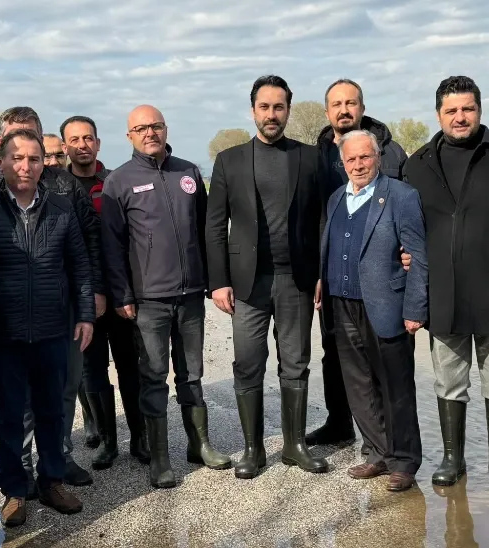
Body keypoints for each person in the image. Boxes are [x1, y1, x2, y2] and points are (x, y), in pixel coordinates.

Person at [402, 76, 489, 489]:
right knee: (449, 381)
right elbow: (406, 225)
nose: (460, 117)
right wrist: (401, 253)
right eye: (451, 110)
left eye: (468, 109)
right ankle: (452, 459)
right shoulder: (417, 164)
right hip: (442, 293)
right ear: (438, 115)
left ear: (480, 110)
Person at [0, 106, 102, 490]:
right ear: (1, 157)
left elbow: (82, 255)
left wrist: (87, 308)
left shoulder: (63, 197)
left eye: (33, 156)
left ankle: (55, 471)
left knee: (57, 401)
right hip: (3, 325)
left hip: (54, 318)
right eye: (16, 156)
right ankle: (17, 482)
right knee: (11, 410)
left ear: (43, 158)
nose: (25, 165)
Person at [102, 104, 231, 488]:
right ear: (129, 136)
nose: (150, 133)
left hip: (190, 295)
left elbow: (209, 231)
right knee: (154, 376)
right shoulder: (119, 181)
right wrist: (122, 294)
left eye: (155, 126)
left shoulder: (188, 172)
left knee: (192, 373)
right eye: (141, 128)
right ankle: (159, 457)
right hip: (149, 301)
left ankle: (199, 444)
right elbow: (112, 245)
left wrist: (214, 280)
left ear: (165, 128)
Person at [206, 75, 329, 479]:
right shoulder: (229, 161)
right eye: (265, 107)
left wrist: (321, 273)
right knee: (247, 364)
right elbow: (214, 226)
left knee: (295, 363)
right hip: (247, 283)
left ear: (288, 110)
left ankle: (294, 446)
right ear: (253, 111)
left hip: (297, 279)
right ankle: (253, 449)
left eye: (279, 107)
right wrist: (218, 280)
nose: (271, 114)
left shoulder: (309, 158)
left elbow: (323, 219)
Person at [318, 129, 428, 491]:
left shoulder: (401, 195)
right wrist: (322, 281)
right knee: (359, 383)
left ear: (377, 157)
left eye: (365, 156)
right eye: (351, 159)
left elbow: (418, 256)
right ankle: (378, 453)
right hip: (341, 303)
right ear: (342, 163)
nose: (358, 164)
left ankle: (404, 461)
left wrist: (415, 308)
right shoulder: (336, 198)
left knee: (396, 386)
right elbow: (331, 247)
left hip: (386, 305)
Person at [307, 78, 410, 450]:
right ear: (327, 112)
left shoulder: (391, 152)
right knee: (334, 351)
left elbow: (409, 204)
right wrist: (318, 271)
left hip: (380, 273)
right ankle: (340, 422)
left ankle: (385, 441)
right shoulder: (316, 156)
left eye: (350, 103)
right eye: (337, 104)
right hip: (335, 273)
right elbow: (315, 216)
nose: (344, 110)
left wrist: (407, 250)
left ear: (362, 107)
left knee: (380, 355)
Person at [62, 114, 150, 468]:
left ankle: (140, 437)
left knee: (130, 367)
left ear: (97, 143)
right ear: (65, 146)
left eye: (88, 138)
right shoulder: (57, 188)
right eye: (74, 139)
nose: (82, 145)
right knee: (93, 370)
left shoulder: (116, 181)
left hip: (120, 293)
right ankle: (108, 441)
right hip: (82, 297)